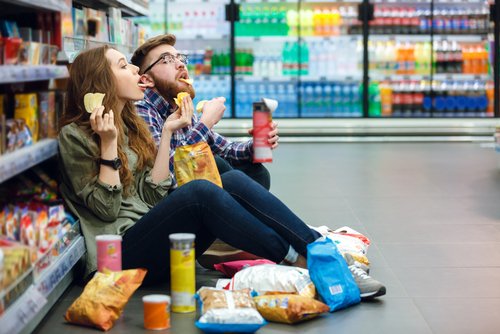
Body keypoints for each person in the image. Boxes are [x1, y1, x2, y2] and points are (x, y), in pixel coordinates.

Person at [57, 45, 385, 299]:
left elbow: (151, 194)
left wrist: (170, 132)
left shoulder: (131, 123)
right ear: (101, 82)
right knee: (201, 190)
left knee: (230, 178)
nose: (134, 70)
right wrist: (109, 145)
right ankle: (305, 262)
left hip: (154, 236)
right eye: (123, 66)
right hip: (116, 258)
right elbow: (108, 208)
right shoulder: (76, 135)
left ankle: (318, 251)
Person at [130, 34, 274, 190]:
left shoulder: (180, 105)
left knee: (256, 172)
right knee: (223, 168)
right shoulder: (142, 110)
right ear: (146, 80)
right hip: (172, 200)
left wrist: (257, 144)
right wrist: (206, 122)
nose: (180, 65)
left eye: (180, 58)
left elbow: (225, 149)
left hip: (195, 189)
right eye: (167, 60)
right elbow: (169, 176)